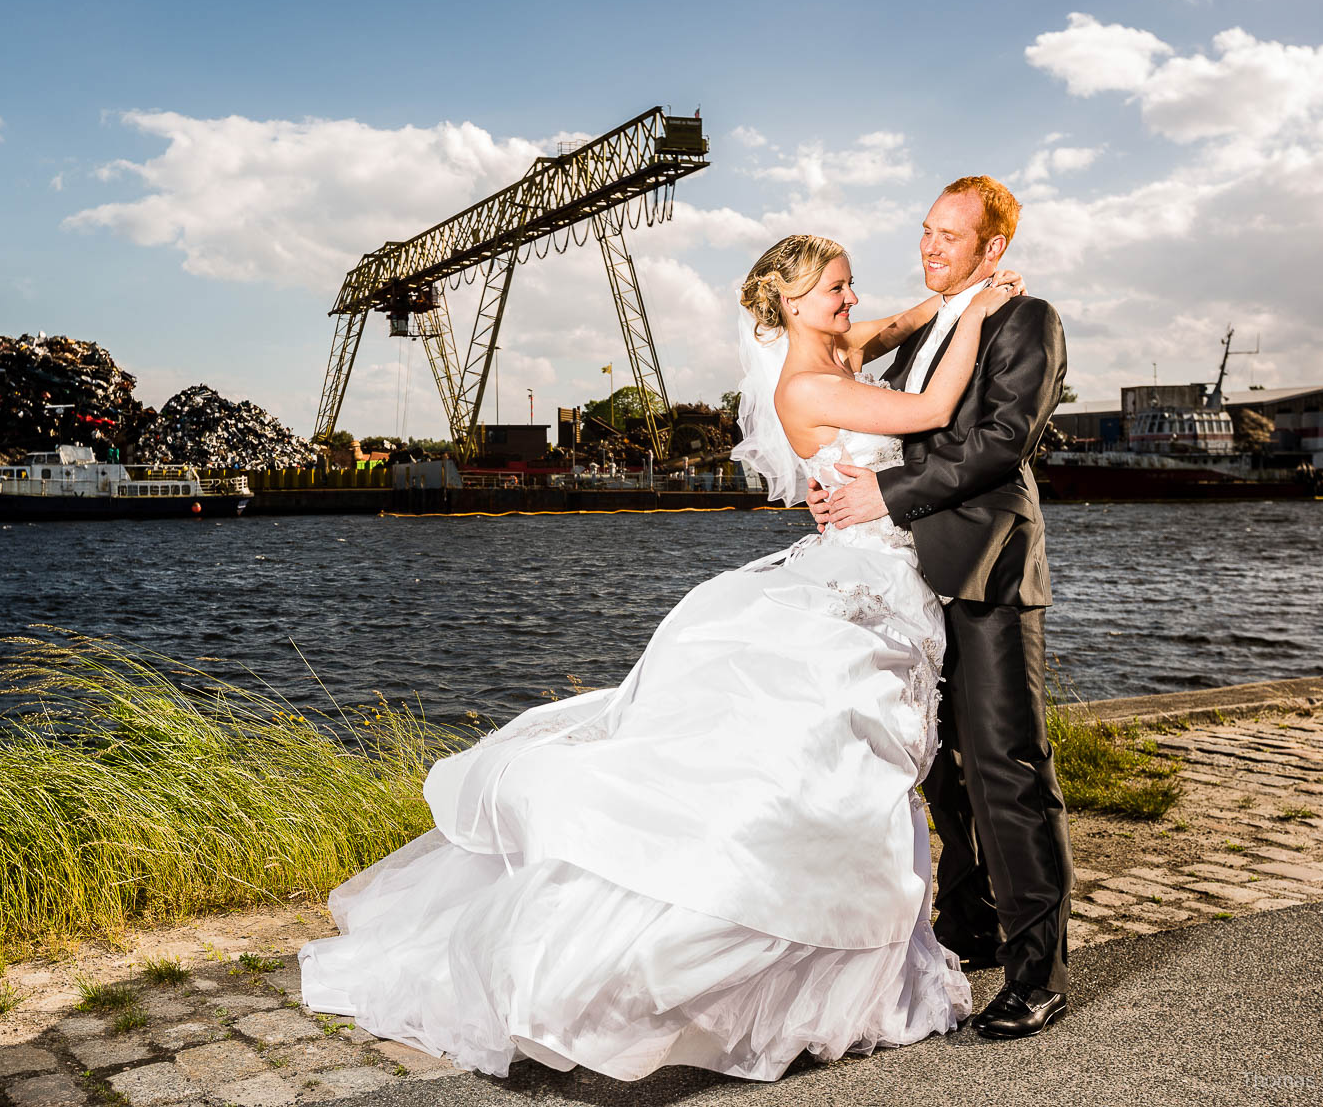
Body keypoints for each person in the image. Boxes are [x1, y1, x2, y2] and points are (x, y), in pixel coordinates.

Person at [299, 234, 1023, 1081]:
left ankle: (855, 955)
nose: (853, 299)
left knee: (859, 763)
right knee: (829, 755)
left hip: (883, 575)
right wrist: (984, 306)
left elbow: (899, 322)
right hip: (864, 577)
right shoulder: (811, 381)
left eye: (852, 283)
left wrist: (949, 297)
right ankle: (783, 961)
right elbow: (935, 408)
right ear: (790, 304)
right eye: (836, 287)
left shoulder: (839, 348)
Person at [807, 175, 1072, 1039]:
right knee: (939, 767)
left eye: (950, 237)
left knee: (1007, 769)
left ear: (993, 248)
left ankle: (1040, 974)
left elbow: (1001, 444)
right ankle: (969, 924)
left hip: (987, 571)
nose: (929, 248)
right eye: (925, 231)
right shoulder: (921, 332)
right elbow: (876, 423)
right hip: (909, 582)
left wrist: (882, 493)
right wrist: (834, 486)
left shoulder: (1025, 322)